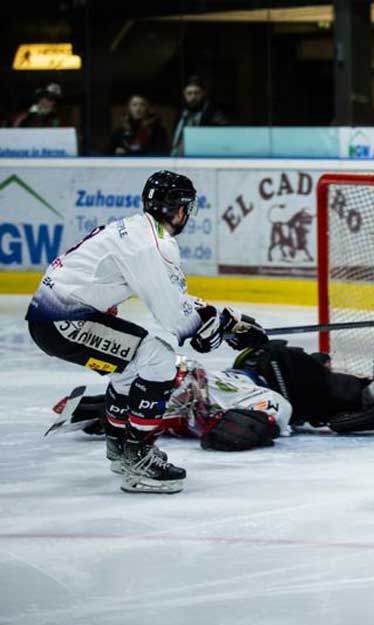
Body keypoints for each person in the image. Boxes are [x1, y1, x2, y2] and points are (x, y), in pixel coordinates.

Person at [25, 170, 254, 494]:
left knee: (132, 365)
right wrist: (214, 330)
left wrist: (220, 320)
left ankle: (121, 447)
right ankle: (138, 458)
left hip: (56, 317)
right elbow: (175, 317)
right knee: (158, 358)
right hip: (64, 321)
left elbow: (171, 300)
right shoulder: (154, 244)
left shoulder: (136, 229)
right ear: (180, 209)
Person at [47, 301, 374, 449]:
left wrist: (214, 427)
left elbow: (238, 431)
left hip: (280, 376)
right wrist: (87, 413)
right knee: (372, 396)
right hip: (265, 367)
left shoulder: (211, 401)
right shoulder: (185, 390)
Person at [171, 75, 228, 156]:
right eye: (189, 93)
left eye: (197, 93)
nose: (193, 97)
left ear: (203, 94)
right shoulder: (181, 114)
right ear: (184, 94)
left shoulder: (213, 115)